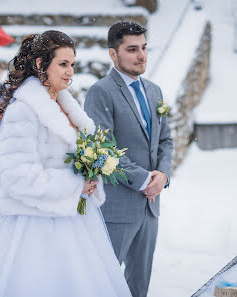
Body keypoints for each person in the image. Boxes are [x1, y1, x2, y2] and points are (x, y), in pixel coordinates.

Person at [0, 31, 132, 297]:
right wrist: (75, 185)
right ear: (40, 64)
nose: (69, 71)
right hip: (33, 226)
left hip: (74, 219)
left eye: (72, 64)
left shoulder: (67, 105)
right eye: (62, 64)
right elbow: (18, 176)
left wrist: (92, 174)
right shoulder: (23, 110)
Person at [84, 21, 174, 297]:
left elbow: (166, 140)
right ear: (113, 54)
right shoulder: (101, 92)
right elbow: (103, 151)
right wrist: (146, 179)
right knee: (102, 283)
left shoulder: (154, 91)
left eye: (144, 48)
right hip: (116, 208)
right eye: (132, 49)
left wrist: (162, 176)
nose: (141, 55)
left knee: (139, 285)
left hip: (150, 207)